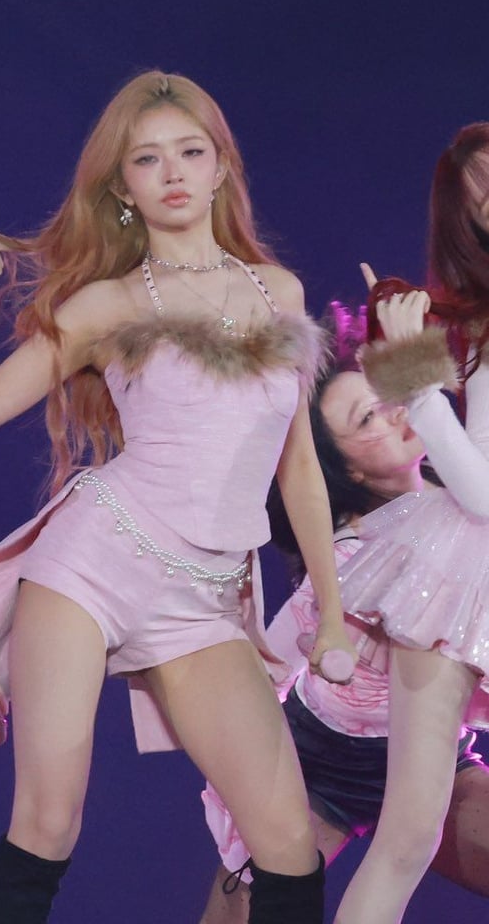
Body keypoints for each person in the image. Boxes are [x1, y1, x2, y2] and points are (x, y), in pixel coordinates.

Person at [0, 70, 356, 924]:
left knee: (286, 844)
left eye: (190, 152)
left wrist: (333, 615)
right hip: (93, 564)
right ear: (123, 189)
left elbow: (298, 469)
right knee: (49, 823)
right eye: (148, 160)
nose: (173, 173)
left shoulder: (281, 294)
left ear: (221, 166)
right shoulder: (107, 305)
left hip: (204, 597)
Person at [198, 309, 489, 923]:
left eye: (391, 398)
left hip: (427, 759)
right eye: (367, 418)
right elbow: (272, 660)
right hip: (318, 766)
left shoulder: (468, 521)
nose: (396, 413)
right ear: (348, 468)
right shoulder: (346, 560)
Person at [325, 123, 489, 924]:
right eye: (481, 194)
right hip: (462, 577)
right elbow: (482, 492)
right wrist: (414, 373)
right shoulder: (481, 323)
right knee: (408, 839)